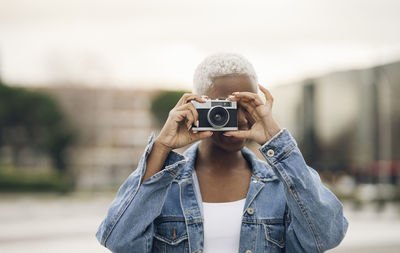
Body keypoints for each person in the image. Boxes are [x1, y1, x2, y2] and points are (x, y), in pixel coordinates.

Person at [96, 53, 348, 253]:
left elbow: (326, 236)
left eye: (246, 105)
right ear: (198, 104)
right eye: (222, 108)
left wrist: (275, 139)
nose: (237, 118)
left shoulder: (279, 185)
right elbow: (119, 242)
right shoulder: (166, 185)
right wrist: (162, 146)